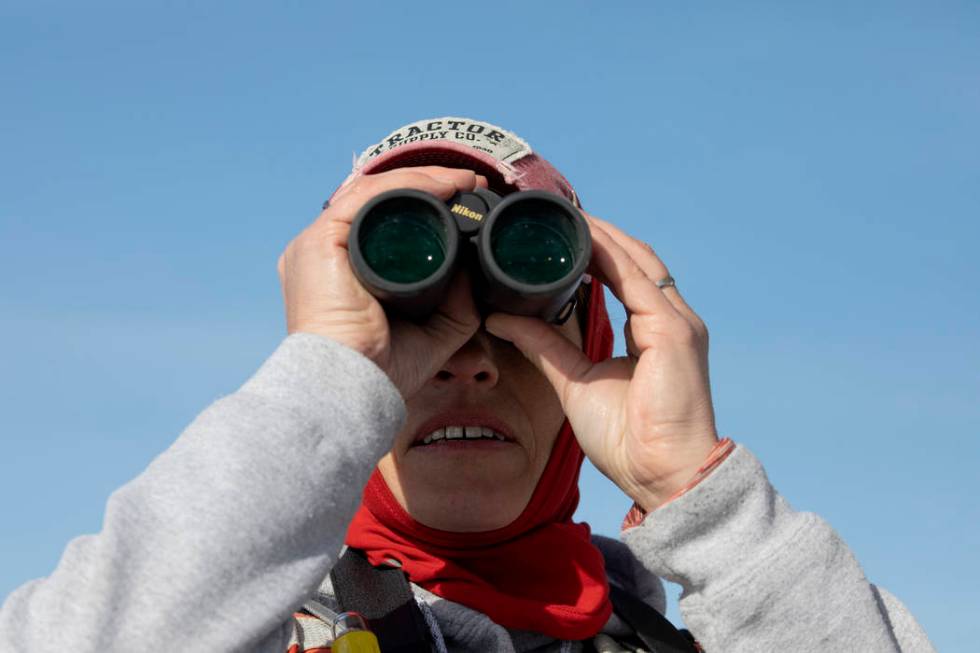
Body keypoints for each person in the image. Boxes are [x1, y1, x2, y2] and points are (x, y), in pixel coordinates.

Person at [0, 117, 934, 652]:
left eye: (520, 315)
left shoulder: (690, 625)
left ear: (601, 327)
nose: (467, 355)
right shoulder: (231, 614)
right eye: (406, 315)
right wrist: (321, 394)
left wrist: (703, 499)